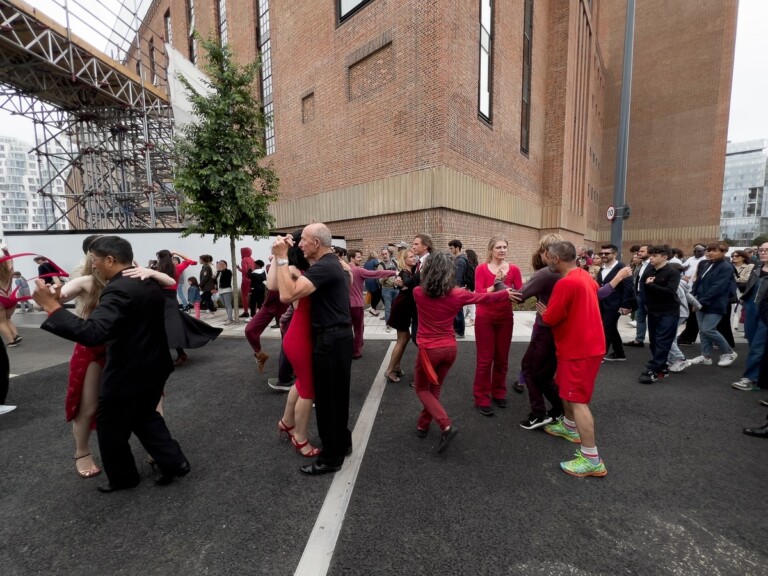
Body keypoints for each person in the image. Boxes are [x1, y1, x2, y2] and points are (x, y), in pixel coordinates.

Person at [33, 236, 190, 493]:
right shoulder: (145, 281)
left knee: (110, 428)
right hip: (154, 365)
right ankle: (175, 463)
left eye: (94, 260)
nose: (92, 265)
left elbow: (93, 333)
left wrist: (51, 307)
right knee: (146, 417)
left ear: (110, 260)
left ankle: (124, 478)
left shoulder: (118, 289)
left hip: (127, 372)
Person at [271, 223, 353, 476]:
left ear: (317, 243)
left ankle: (330, 458)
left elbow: (286, 295)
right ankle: (341, 443)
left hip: (331, 339)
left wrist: (282, 258)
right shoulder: (330, 264)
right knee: (335, 397)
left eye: (304, 240)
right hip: (334, 337)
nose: (301, 244)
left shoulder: (324, 266)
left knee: (328, 401)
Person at [413, 252, 516, 452]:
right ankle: (422, 425)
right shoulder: (458, 294)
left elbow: (424, 285)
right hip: (449, 349)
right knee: (434, 389)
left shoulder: (418, 292)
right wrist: (503, 291)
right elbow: (482, 298)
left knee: (421, 389)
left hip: (428, 350)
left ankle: (445, 424)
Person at [538, 241, 607, 478]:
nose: (546, 260)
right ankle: (569, 427)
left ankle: (592, 459)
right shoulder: (584, 276)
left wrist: (543, 312)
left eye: (547, 257)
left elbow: (550, 318)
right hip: (583, 345)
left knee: (578, 401)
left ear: (556, 259)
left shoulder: (565, 283)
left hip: (579, 349)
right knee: (566, 389)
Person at [267, 229, 319, 456]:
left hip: (302, 334)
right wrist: (279, 256)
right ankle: (300, 439)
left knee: (300, 385)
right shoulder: (293, 269)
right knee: (308, 390)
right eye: (306, 241)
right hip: (300, 336)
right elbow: (272, 287)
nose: (309, 245)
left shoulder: (299, 268)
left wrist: (280, 256)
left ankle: (287, 423)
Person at [516, 234, 565, 430]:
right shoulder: (569, 272)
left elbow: (519, 296)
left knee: (529, 368)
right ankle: (561, 409)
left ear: (546, 252)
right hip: (560, 329)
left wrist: (499, 284)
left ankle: (538, 413)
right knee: (545, 374)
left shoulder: (546, 273)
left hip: (545, 329)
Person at [472, 235, 523, 416]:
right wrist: (496, 286)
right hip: (485, 318)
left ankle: (499, 392)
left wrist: (513, 293)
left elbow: (519, 295)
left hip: (505, 319)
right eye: (498, 247)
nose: (502, 250)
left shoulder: (514, 269)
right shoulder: (481, 269)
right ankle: (481, 397)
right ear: (491, 250)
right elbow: (478, 294)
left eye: (504, 247)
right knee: (485, 360)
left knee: (502, 359)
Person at [156, 250, 222, 366]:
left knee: (167, 328)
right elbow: (191, 261)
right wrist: (176, 253)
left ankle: (180, 354)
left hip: (161, 300)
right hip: (170, 300)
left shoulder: (158, 270)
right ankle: (179, 354)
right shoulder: (176, 268)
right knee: (169, 327)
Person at [688, 242, 738, 368]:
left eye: (714, 251)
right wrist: (694, 296)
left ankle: (729, 352)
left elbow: (718, 288)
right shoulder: (705, 264)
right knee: (703, 331)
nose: (709, 253)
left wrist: (700, 302)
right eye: (708, 250)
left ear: (723, 252)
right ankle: (705, 356)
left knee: (708, 329)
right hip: (700, 301)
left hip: (715, 303)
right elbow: (698, 281)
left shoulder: (726, 267)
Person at [637, 246, 681, 384]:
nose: (651, 258)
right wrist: (643, 304)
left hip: (669, 311)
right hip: (652, 310)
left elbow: (670, 292)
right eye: (651, 255)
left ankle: (653, 368)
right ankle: (662, 366)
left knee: (663, 340)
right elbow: (642, 288)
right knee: (654, 340)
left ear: (664, 257)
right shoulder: (649, 270)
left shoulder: (672, 272)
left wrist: (652, 286)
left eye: (655, 256)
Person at [730, 243, 768, 391]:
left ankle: (751, 378)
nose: (763, 252)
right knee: (753, 342)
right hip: (751, 308)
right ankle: (759, 376)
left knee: (758, 345)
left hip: (765, 312)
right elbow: (748, 289)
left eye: (766, 250)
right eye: (761, 250)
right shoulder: (756, 269)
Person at [348, 249, 396, 359]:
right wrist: (394, 272)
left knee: (347, 329)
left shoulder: (343, 269)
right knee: (359, 329)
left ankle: (347, 349)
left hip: (345, 305)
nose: (361, 259)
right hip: (357, 305)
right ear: (351, 258)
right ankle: (356, 352)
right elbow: (377, 273)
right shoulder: (358, 270)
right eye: (359, 257)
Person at [595, 244, 634, 362]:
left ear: (615, 254)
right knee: (611, 328)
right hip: (602, 303)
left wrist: (625, 305)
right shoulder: (602, 267)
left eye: (606, 253)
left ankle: (601, 354)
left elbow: (629, 288)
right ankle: (619, 353)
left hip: (615, 304)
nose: (603, 255)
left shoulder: (623, 268)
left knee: (606, 327)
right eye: (601, 253)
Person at [384, 249, 418, 382]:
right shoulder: (405, 272)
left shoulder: (411, 272)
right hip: (401, 308)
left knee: (405, 337)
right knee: (402, 339)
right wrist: (399, 284)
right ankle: (390, 370)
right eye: (411, 257)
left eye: (414, 256)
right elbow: (406, 283)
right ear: (405, 260)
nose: (414, 258)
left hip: (404, 308)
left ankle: (396, 366)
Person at [0, 245, 21, 348]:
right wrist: (6, 252)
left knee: (1, 321)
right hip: (11, 299)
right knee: (7, 318)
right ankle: (15, 335)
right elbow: (11, 260)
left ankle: (11, 341)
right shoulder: (10, 272)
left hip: (0, 299)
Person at [448, 239, 469, 339]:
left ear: (457, 248)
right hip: (458, 288)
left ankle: (460, 332)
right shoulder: (460, 259)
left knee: (458, 312)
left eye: (452, 248)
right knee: (457, 311)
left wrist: (455, 290)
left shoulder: (460, 260)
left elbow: (458, 277)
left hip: (458, 288)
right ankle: (458, 330)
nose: (450, 250)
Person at [377, 247, 399, 332]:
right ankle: (388, 325)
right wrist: (384, 279)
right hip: (386, 290)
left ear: (389, 254)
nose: (384, 256)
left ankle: (396, 323)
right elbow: (380, 281)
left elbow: (399, 272)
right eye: (383, 254)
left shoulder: (395, 262)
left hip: (396, 288)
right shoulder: (380, 265)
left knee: (397, 307)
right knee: (388, 308)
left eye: (386, 254)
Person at [238, 247, 256, 318]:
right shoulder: (252, 259)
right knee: (253, 296)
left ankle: (246, 312)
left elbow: (245, 270)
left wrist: (239, 269)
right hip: (252, 280)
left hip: (245, 280)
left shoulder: (244, 260)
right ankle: (253, 311)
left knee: (244, 296)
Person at [215, 260, 235, 325]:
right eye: (219, 264)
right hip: (220, 290)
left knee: (228, 305)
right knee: (225, 305)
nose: (219, 265)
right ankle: (230, 318)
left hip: (227, 290)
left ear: (225, 265)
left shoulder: (228, 271)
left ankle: (229, 319)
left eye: (221, 264)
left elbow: (227, 278)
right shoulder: (219, 272)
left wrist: (223, 270)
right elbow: (215, 281)